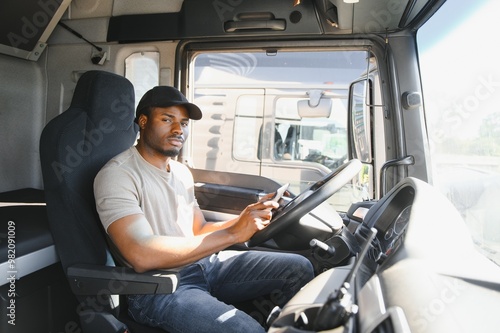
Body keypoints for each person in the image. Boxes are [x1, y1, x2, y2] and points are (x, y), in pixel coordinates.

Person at [93, 86, 314, 333]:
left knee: (299, 268)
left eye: (184, 123)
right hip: (157, 287)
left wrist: (244, 220)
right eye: (167, 120)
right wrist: (232, 235)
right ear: (143, 122)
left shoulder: (179, 172)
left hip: (203, 265)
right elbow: (141, 255)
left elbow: (198, 229)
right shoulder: (118, 175)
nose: (178, 129)